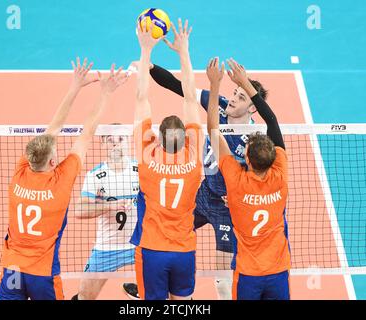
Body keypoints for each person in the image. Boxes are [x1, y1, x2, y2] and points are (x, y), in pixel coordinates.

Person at [123, 60, 268, 300]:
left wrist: (239, 196)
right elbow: (180, 88)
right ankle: (148, 281)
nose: (232, 98)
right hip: (202, 195)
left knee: (222, 278)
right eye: (234, 92)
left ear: (253, 109)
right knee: (164, 231)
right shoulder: (218, 105)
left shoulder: (255, 139)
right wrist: (151, 68)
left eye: (241, 97)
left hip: (226, 207)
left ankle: (158, 282)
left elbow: (258, 177)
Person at [0, 59, 128, 300]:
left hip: (12, 269)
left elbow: (52, 129)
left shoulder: (20, 172)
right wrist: (105, 92)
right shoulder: (61, 181)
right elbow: (88, 130)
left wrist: (74, 87)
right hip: (42, 275)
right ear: (53, 162)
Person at [130, 19, 204, 300]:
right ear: (186, 137)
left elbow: (141, 98)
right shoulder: (194, 155)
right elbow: (189, 98)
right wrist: (183, 51)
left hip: (153, 248)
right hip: (184, 249)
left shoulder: (147, 156)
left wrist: (145, 50)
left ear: (158, 137)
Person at [206, 57, 290, 300]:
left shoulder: (235, 181)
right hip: (278, 272)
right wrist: (247, 85)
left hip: (248, 275)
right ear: (273, 159)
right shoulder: (280, 176)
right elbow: (271, 121)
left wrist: (215, 86)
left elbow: (213, 129)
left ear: (248, 161)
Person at [72, 130, 139, 300]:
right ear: (102, 145)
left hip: (140, 246)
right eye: (110, 139)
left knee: (168, 290)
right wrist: (111, 205)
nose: (116, 143)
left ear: (128, 142)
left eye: (120, 138)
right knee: (84, 297)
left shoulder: (140, 170)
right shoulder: (95, 176)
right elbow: (79, 210)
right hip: (107, 248)